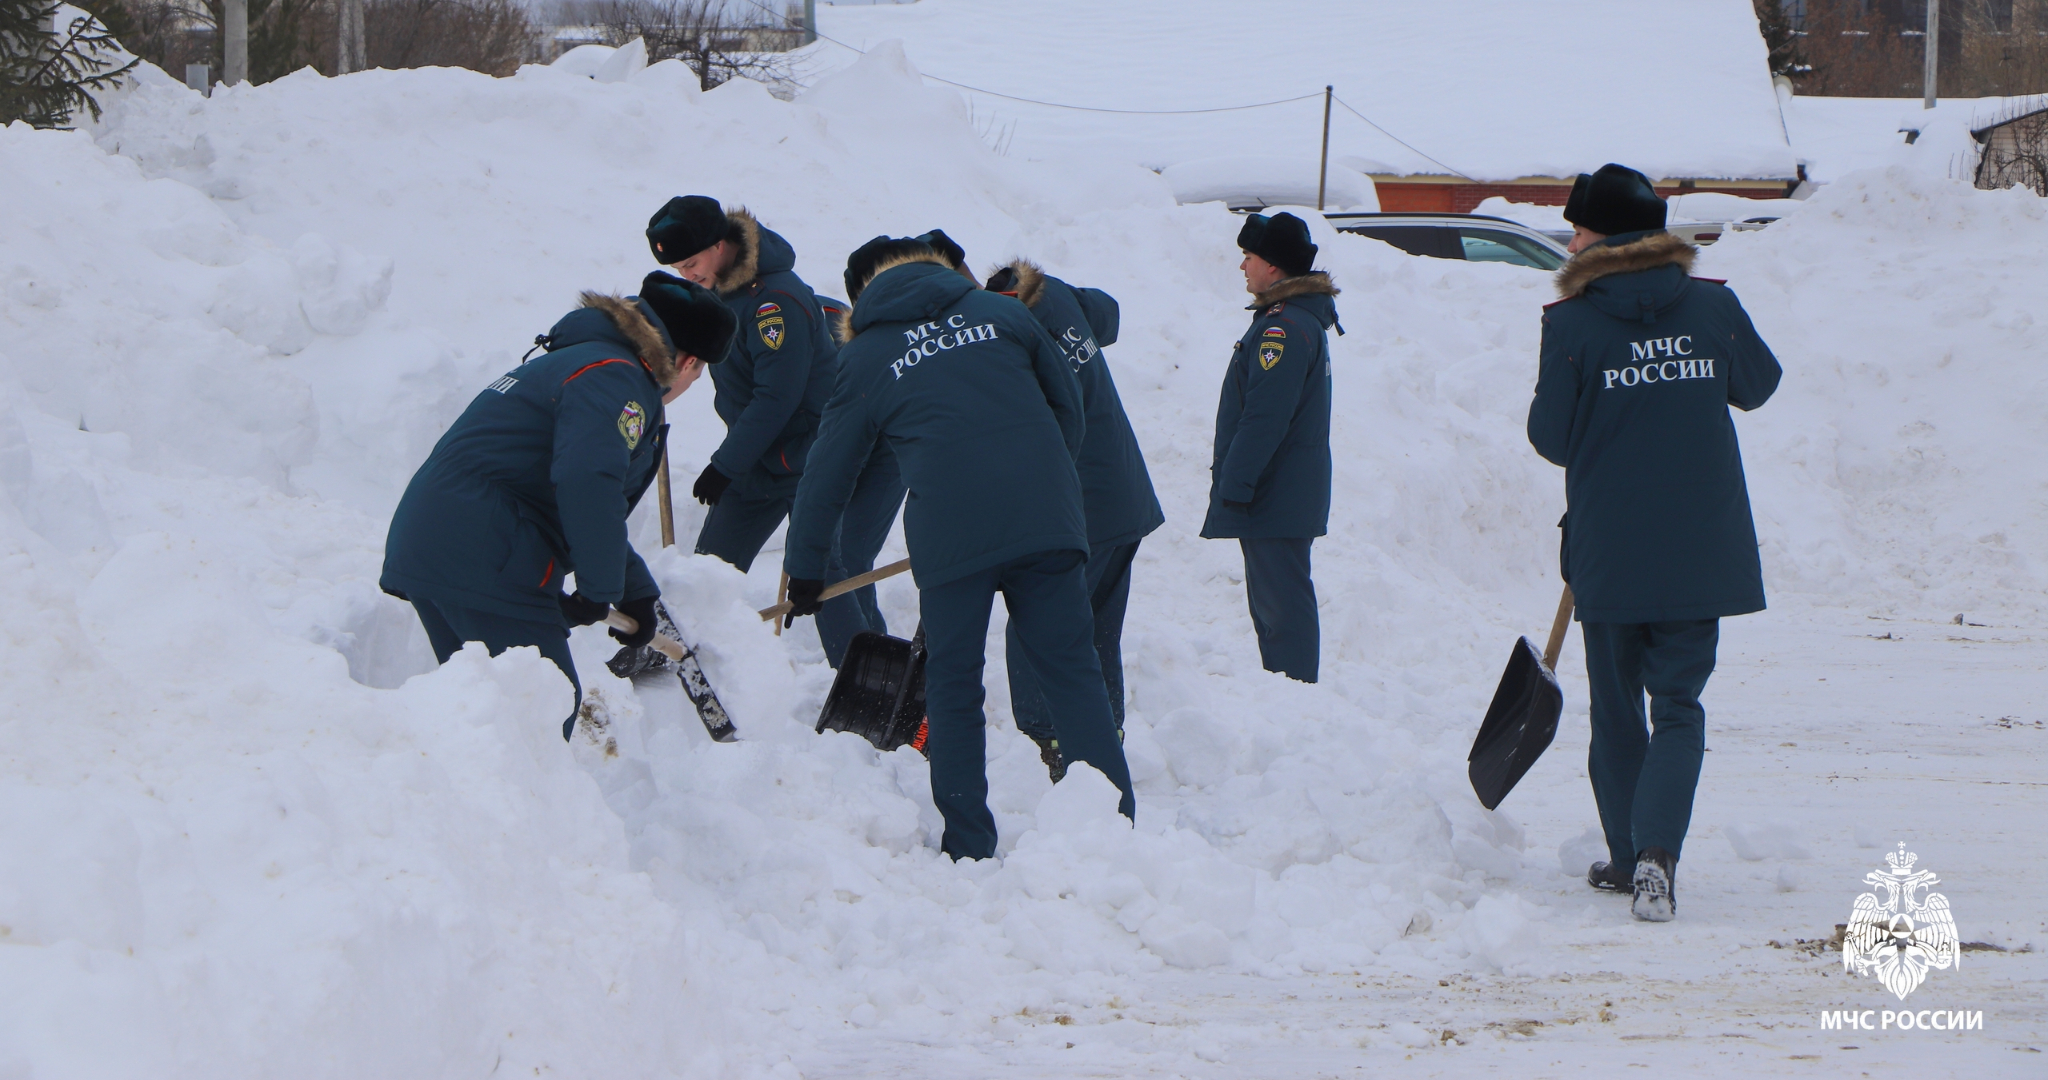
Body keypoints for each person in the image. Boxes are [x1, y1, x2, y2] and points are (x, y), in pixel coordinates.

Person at [780, 236, 1135, 861]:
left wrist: (806, 569)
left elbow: (825, 476)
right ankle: (1115, 830)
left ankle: (969, 844)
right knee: (1073, 672)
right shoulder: (1006, 315)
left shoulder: (866, 359)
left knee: (953, 686)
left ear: (864, 297)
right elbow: (1068, 406)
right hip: (1046, 520)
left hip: (951, 538)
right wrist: (1045, 481)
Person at [1527, 163, 1782, 922]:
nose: (1569, 239)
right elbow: (1759, 386)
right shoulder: (1714, 307)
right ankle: (1658, 858)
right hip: (1700, 544)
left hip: (1610, 546)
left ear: (1604, 234)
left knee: (1616, 708)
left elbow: (1550, 438)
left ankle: (1627, 851)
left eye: (1577, 226)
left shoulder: (1569, 322)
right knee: (1678, 705)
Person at [381, 273, 737, 739]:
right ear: (688, 361)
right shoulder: (618, 378)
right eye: (700, 372)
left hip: (440, 541)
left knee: (483, 708)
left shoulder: (586, 361)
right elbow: (587, 484)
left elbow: (578, 499)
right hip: (485, 552)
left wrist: (633, 591)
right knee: (539, 710)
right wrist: (597, 588)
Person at [982, 252, 1163, 782]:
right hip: (1123, 494)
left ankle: (1050, 742)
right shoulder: (1050, 291)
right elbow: (1105, 314)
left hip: (1079, 507)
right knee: (1099, 626)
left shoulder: (1004, 336)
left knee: (1040, 625)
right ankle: (1106, 735)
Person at [646, 196, 838, 574]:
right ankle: (701, 634)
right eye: (678, 268)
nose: (687, 275)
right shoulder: (718, 291)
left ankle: (854, 636)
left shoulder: (773, 302)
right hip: (757, 457)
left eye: (691, 264)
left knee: (824, 583)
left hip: (808, 458)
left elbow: (777, 396)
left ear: (719, 245)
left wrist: (724, 465)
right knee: (709, 575)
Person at [1200, 212, 1340, 684]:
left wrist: (1235, 488)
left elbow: (1265, 418)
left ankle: (1297, 698)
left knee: (1282, 609)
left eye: (1249, 257)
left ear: (1274, 268)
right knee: (1276, 604)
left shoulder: (1281, 329)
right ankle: (1290, 694)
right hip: (1281, 490)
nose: (1243, 267)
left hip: (1273, 492)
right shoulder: (1295, 322)